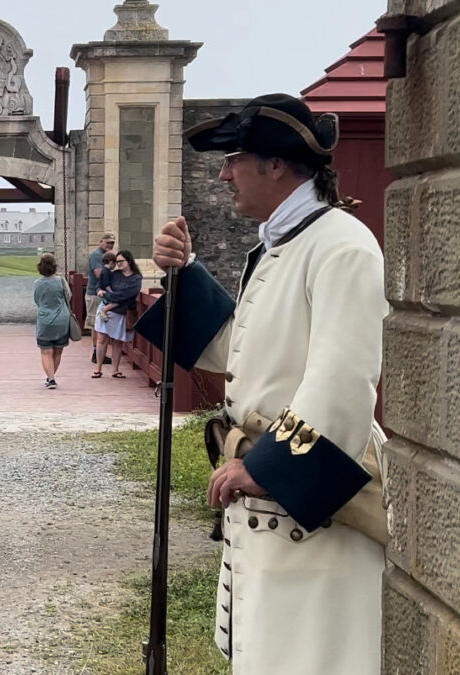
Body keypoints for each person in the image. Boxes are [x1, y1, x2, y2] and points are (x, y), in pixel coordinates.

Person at [140, 93, 387, 674]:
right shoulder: (281, 246)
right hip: (271, 504)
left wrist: (264, 466)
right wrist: (186, 273)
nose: (224, 173)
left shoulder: (342, 247)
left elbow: (344, 382)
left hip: (310, 515)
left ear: (276, 165)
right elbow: (244, 352)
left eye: (235, 157)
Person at [91, 250, 142, 380]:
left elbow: (125, 295)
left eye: (121, 261)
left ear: (129, 261)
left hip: (120, 312)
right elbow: (99, 284)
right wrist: (99, 291)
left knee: (117, 341)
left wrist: (106, 295)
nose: (118, 264)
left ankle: (115, 370)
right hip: (105, 309)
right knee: (101, 338)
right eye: (116, 262)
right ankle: (98, 368)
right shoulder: (114, 274)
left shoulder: (136, 278)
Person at [32, 252, 70, 389]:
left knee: (45, 351)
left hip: (44, 320)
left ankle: (51, 378)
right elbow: (68, 296)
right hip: (62, 319)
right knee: (58, 350)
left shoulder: (37, 283)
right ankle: (51, 376)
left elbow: (36, 300)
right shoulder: (61, 281)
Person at [85, 233, 116, 363]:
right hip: (94, 294)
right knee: (95, 324)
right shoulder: (96, 255)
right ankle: (96, 353)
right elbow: (99, 275)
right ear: (101, 242)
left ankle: (99, 353)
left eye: (112, 243)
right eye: (107, 242)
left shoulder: (104, 256)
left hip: (100, 293)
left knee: (99, 324)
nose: (110, 245)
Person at [95, 250, 118, 322]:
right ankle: (103, 312)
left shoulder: (104, 270)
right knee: (116, 302)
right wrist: (112, 292)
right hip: (104, 291)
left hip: (102, 290)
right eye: (115, 264)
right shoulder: (106, 272)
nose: (115, 266)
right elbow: (106, 284)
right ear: (111, 262)